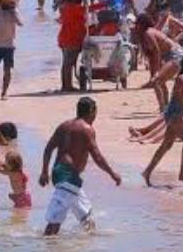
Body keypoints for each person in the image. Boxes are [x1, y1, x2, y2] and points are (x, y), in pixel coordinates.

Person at [39, 96, 121, 236]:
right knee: (54, 222)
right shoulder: (87, 129)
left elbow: (48, 148)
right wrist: (112, 173)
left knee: (87, 217)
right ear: (91, 112)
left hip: (61, 174)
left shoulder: (63, 126)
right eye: (95, 112)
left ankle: (88, 249)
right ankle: (47, 249)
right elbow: (97, 156)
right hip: (68, 177)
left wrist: (45, 171)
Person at [143, 52, 183, 185]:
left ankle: (147, 171)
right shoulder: (182, 78)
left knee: (166, 145)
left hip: (180, 113)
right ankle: (182, 174)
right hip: (174, 114)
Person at [56, 0, 86, 92]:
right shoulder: (73, 8)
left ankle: (66, 85)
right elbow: (86, 10)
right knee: (69, 63)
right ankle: (67, 86)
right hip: (71, 38)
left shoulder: (65, 7)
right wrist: (103, 5)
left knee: (67, 63)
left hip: (65, 37)